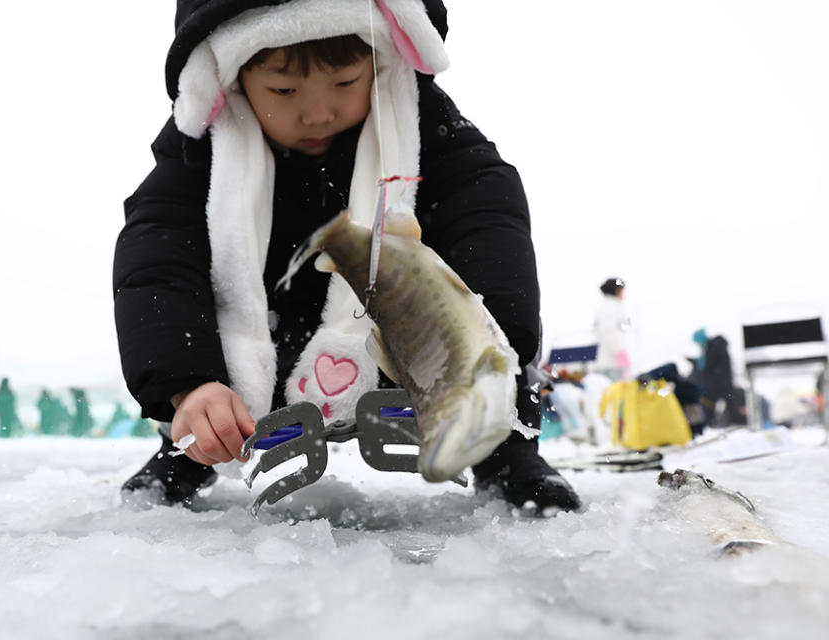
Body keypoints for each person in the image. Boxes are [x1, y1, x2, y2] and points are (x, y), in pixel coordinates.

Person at [113, 0, 580, 514]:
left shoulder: (433, 136)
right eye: (284, 91)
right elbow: (158, 262)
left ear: (383, 61)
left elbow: (486, 221)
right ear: (230, 77)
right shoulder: (198, 152)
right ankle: (193, 447)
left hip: (401, 343)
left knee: (490, 354)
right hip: (265, 342)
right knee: (198, 365)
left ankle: (507, 452)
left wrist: (488, 337)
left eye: (344, 82)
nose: (317, 112)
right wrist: (184, 382)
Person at [591, 277, 632, 382]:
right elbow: (610, 333)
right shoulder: (612, 309)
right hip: (610, 364)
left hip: (604, 362)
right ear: (617, 291)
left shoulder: (605, 307)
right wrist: (621, 353)